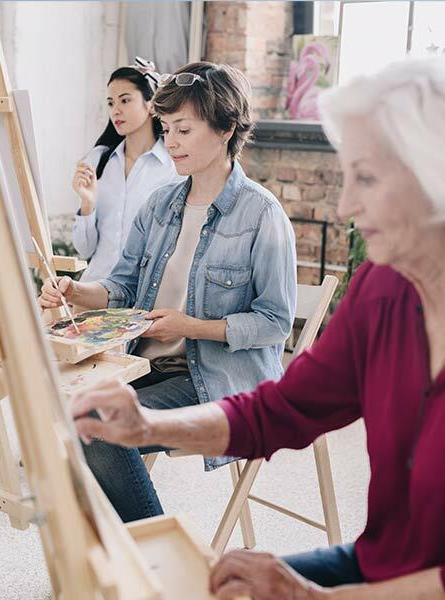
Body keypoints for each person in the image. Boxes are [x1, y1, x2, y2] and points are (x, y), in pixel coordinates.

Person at [70, 57, 445, 600]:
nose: (348, 204)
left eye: (367, 178)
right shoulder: (383, 286)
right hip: (386, 564)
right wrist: (148, 428)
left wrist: (312, 597)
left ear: (442, 175)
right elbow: (281, 410)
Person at [40, 61, 297, 523]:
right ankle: (123, 554)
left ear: (225, 129)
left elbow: (275, 322)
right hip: (150, 364)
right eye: (166, 128)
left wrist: (191, 326)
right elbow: (121, 288)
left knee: (98, 428)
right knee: (66, 410)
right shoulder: (160, 206)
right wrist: (76, 291)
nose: (171, 141)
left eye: (183, 129)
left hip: (221, 381)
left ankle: (151, 561)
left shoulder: (262, 214)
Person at [72, 57, 183, 281]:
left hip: (141, 295)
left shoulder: (174, 167)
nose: (116, 111)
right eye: (111, 103)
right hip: (94, 288)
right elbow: (84, 250)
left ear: (150, 104)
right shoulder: (97, 161)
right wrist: (88, 204)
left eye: (125, 100)